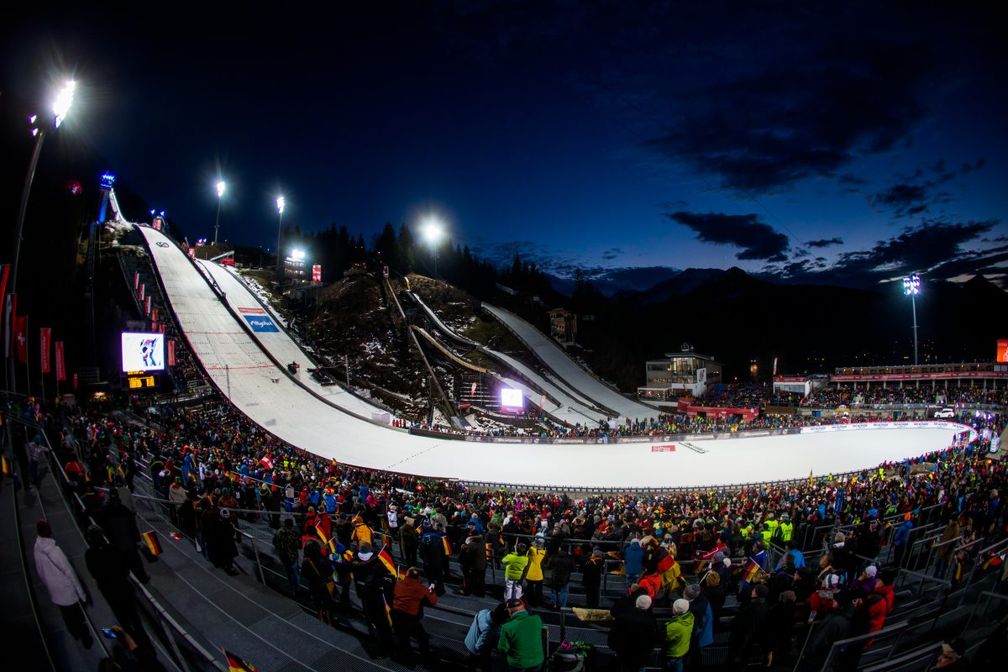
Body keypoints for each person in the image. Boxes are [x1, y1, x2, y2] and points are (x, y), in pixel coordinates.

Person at [34, 520, 93, 650]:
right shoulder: (55, 551)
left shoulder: (36, 547)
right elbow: (70, 573)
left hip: (54, 592)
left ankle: (74, 634)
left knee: (67, 616)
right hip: (67, 592)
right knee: (78, 616)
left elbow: (39, 571)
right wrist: (82, 594)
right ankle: (85, 639)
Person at [97, 488, 151, 584]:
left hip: (117, 543)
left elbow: (103, 525)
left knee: (124, 562)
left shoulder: (105, 510)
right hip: (129, 542)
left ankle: (131, 579)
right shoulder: (124, 509)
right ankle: (142, 578)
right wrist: (137, 539)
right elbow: (133, 526)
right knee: (136, 560)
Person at [391, 567, 438, 664]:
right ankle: (426, 659)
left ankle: (408, 660)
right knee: (423, 639)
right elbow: (433, 601)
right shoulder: (421, 588)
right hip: (410, 618)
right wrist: (431, 591)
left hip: (396, 616)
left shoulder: (398, 583)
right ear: (418, 577)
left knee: (403, 640)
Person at [608, 593, 658, 671]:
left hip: (623, 652)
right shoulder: (650, 621)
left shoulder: (623, 616)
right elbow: (652, 640)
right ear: (649, 606)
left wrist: (614, 646)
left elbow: (613, 633)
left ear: (636, 603)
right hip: (640, 655)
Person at [497, 598, 545, 672]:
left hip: (518, 664)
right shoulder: (537, 619)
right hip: (537, 661)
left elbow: (502, 649)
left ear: (509, 611)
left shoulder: (507, 627)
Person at [728, 583, 769, 666]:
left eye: (754, 590)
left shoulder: (749, 609)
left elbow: (736, 624)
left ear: (756, 593)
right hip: (757, 639)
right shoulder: (766, 606)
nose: (752, 591)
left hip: (744, 641)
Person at [465, 602, 509, 671]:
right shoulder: (488, 630)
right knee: (485, 665)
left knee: (472, 663)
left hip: (469, 640)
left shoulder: (484, 611)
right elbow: (479, 647)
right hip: (474, 650)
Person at [684, 583, 713, 668]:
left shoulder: (694, 610)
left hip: (696, 637)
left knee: (694, 655)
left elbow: (695, 629)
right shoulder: (703, 601)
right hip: (701, 634)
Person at [664, 598, 694, 672]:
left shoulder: (674, 626)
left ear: (675, 610)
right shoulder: (691, 617)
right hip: (683, 649)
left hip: (673, 653)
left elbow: (666, 638)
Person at [272, 518, 301, 595]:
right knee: (295, 573)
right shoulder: (293, 534)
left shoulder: (278, 532)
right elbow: (299, 546)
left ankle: (291, 584)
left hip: (283, 556)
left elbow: (274, 542)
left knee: (288, 570)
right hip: (292, 556)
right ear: (291, 525)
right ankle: (297, 588)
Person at [525, 536, 547, 607]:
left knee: (529, 589)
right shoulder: (544, 552)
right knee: (539, 590)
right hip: (539, 574)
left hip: (530, 573)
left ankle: (529, 601)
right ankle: (538, 602)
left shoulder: (532, 549)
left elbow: (527, 554)